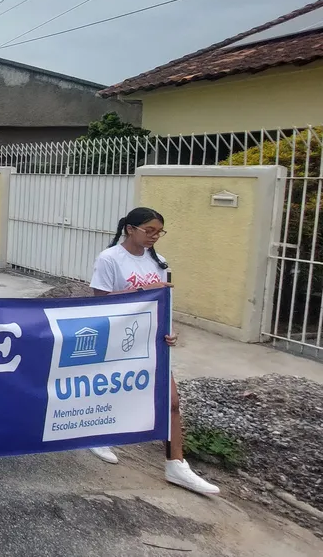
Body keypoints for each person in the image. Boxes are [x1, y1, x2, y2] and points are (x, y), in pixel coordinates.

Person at [88, 207, 220, 495]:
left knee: (171, 400)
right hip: (119, 338)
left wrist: (170, 331)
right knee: (114, 389)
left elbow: (164, 302)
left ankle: (176, 464)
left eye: (159, 231)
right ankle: (98, 435)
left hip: (153, 339)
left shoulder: (158, 261)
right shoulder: (110, 259)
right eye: (149, 230)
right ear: (130, 229)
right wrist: (142, 293)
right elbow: (99, 302)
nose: (154, 236)